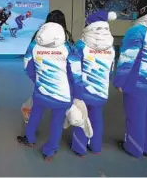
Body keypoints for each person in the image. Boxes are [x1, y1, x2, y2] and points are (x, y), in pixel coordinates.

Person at [17, 11, 83, 161]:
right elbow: (75, 72)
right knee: (57, 122)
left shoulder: (35, 42)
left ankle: (30, 138)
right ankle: (49, 152)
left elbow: (27, 65)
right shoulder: (67, 44)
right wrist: (76, 92)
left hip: (41, 89)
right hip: (63, 92)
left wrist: (37, 80)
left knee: (36, 112)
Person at [113, 0, 147, 158]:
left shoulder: (137, 31)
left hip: (136, 83)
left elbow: (127, 59)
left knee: (135, 117)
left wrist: (119, 81)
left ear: (142, 11)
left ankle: (134, 148)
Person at [70, 11, 117, 157]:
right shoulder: (111, 47)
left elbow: (73, 69)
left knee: (81, 116)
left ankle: (79, 148)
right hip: (101, 90)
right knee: (97, 117)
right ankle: (96, 147)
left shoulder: (80, 45)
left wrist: (74, 88)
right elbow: (110, 70)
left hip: (83, 90)